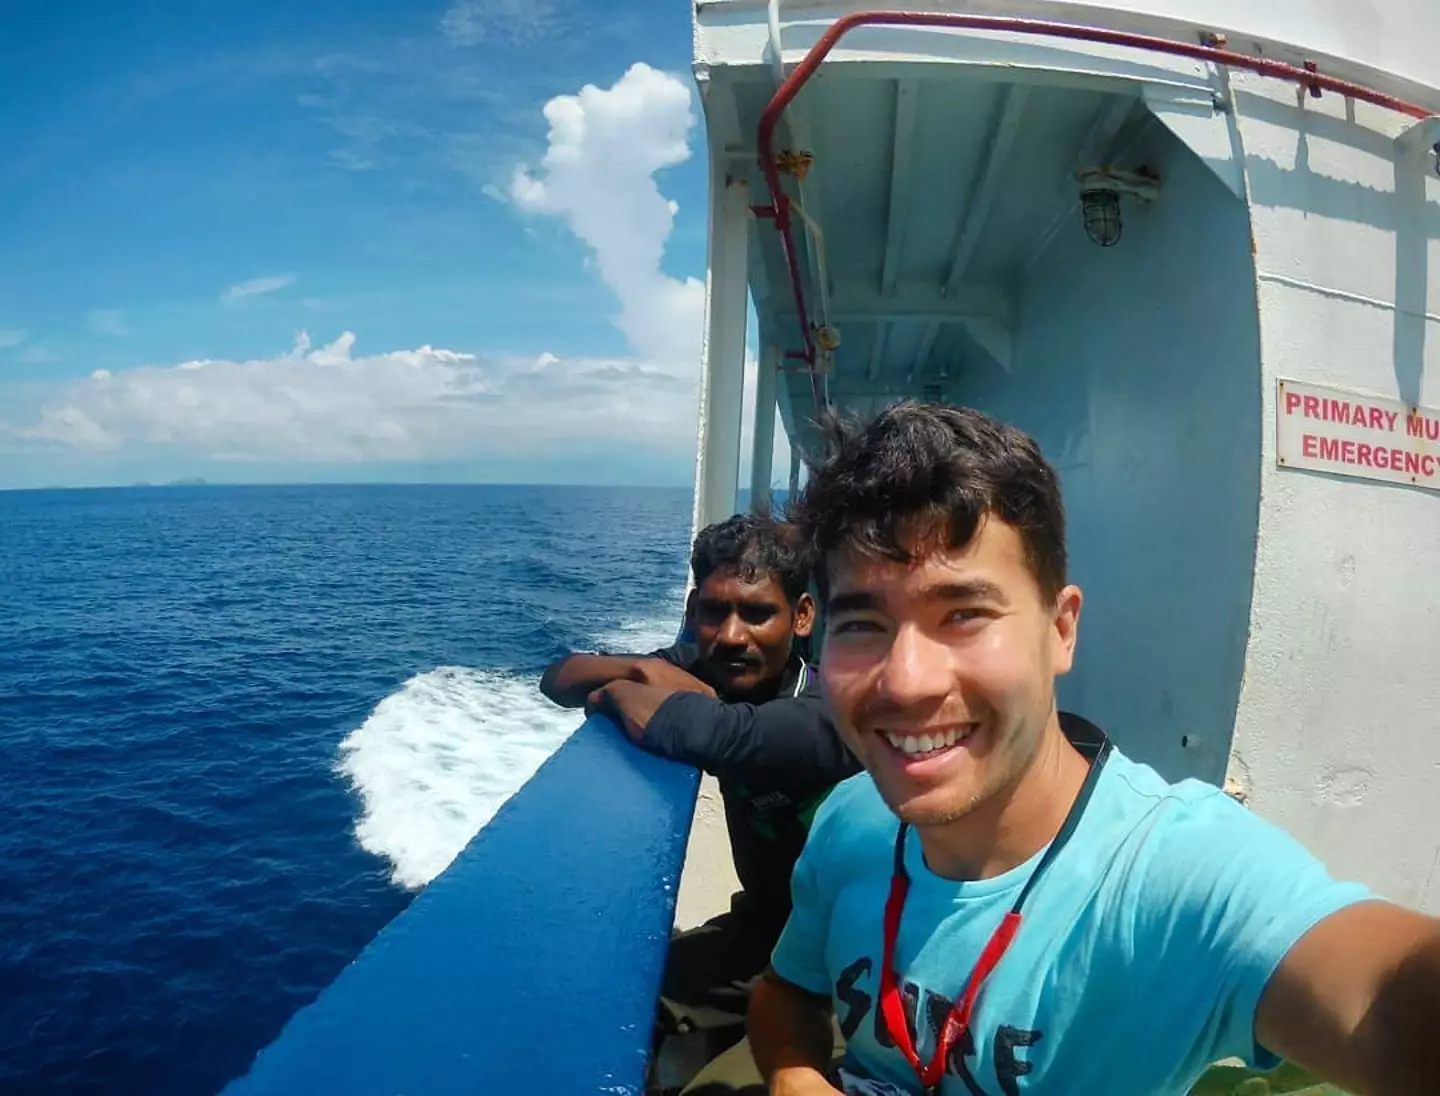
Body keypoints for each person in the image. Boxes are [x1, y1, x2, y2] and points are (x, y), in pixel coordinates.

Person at [748, 402, 1440, 1096]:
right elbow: (788, 993)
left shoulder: (1172, 875)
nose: (905, 681)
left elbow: (1384, 998)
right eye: (862, 624)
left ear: (1061, 630)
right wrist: (792, 1073)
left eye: (963, 614)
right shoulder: (853, 817)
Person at [540, 513, 859, 1069]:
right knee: (601, 998)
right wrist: (639, 672)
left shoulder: (829, 713)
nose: (732, 635)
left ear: (803, 616)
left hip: (853, 966)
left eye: (757, 613)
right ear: (692, 613)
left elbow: (717, 732)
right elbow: (560, 677)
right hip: (765, 932)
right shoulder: (712, 668)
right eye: (714, 611)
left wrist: (625, 692)